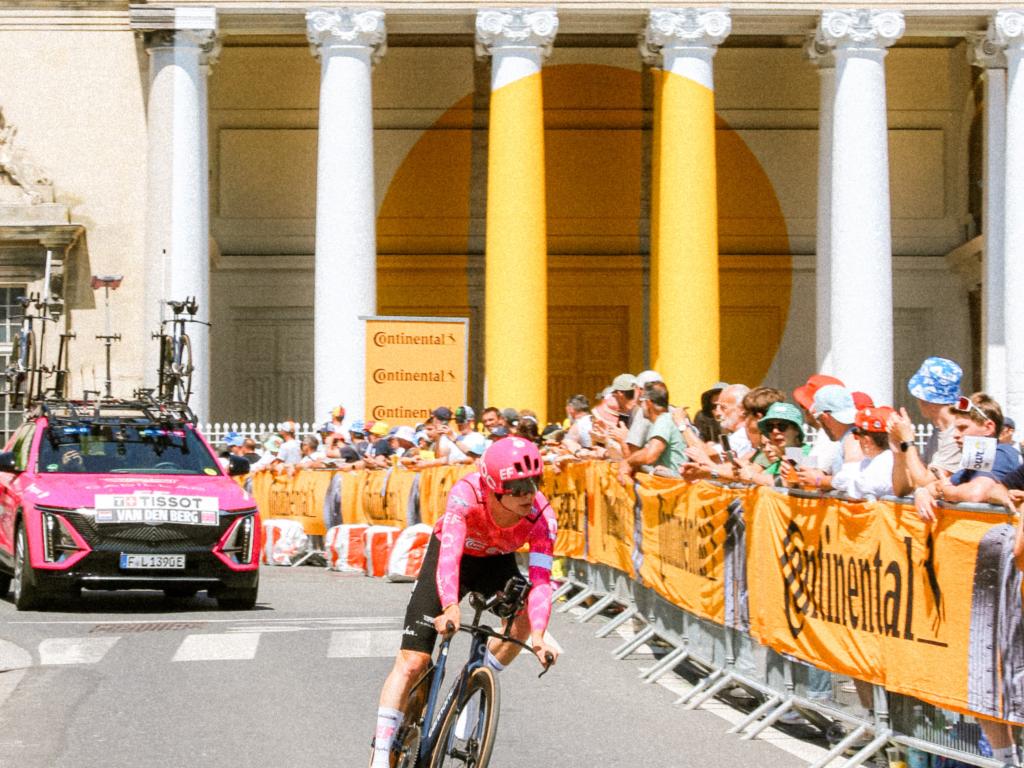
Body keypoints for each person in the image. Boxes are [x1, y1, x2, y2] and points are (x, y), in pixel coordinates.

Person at [369, 439, 558, 768]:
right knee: (414, 662)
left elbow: (542, 580)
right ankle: (381, 756)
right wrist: (450, 607)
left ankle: (471, 685)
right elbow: (449, 558)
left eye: (534, 483)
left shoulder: (541, 516)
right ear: (493, 489)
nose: (528, 494)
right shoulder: (466, 495)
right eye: (516, 488)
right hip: (453, 558)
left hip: (496, 562)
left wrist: (539, 636)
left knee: (525, 616)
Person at [888, 356, 964, 496]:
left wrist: (908, 441)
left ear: (926, 399)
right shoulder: (939, 432)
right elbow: (902, 490)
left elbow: (923, 482)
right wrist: (898, 451)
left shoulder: (957, 434)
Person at [797, 384, 863, 490]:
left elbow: (850, 480)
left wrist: (819, 480)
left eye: (818, 418)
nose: (819, 423)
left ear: (824, 417)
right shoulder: (849, 436)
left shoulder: (853, 438)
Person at [622, 381, 686, 479]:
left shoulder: (664, 421)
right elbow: (648, 450)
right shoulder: (663, 421)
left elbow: (650, 455)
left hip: (673, 486)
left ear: (648, 403)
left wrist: (627, 462)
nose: (640, 406)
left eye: (641, 401)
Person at [831, 406, 895, 500]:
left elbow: (866, 486)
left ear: (866, 441)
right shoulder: (869, 461)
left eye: (857, 437)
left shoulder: (887, 459)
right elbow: (839, 480)